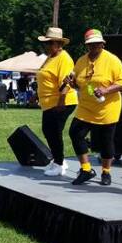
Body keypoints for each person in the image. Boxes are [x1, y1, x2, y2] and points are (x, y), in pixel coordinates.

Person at [68, 29, 122, 185]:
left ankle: (106, 172)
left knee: (106, 141)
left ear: (103, 44)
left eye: (97, 44)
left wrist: (105, 90)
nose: (94, 47)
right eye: (90, 44)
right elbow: (78, 81)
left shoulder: (113, 60)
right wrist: (72, 83)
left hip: (107, 107)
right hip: (86, 106)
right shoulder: (81, 61)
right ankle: (86, 169)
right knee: (75, 132)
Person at [37, 27, 78, 177]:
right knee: (48, 131)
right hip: (49, 102)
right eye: (45, 43)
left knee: (53, 132)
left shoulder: (64, 58)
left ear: (58, 44)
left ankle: (59, 164)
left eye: (49, 43)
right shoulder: (51, 57)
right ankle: (58, 160)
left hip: (61, 102)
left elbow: (66, 82)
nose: (46, 46)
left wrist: (61, 101)